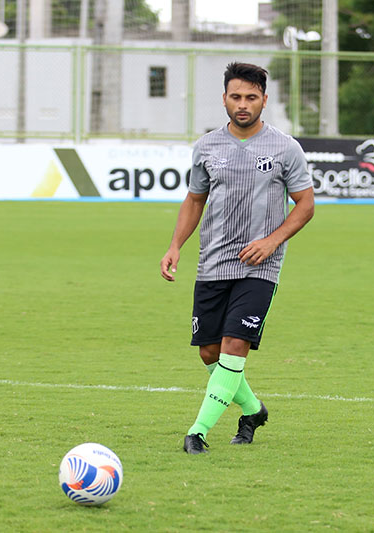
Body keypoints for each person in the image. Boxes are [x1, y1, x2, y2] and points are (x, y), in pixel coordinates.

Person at [159, 62, 314, 455]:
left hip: (260, 266)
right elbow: (195, 200)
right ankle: (253, 410)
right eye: (236, 97)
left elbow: (305, 204)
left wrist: (272, 241)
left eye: (251, 97)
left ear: (264, 99)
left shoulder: (285, 148)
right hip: (213, 261)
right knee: (209, 351)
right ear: (225, 99)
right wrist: (175, 245)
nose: (243, 104)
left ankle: (197, 432)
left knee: (234, 343)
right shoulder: (207, 147)